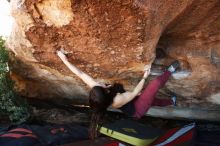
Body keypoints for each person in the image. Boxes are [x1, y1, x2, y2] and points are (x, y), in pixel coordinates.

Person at [57, 50, 180, 139]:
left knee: (154, 101)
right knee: (155, 84)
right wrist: (144, 77)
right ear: (105, 92)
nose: (98, 82)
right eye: (99, 85)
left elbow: (80, 74)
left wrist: (64, 59)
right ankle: (168, 72)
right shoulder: (117, 99)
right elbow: (135, 92)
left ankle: (172, 102)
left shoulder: (99, 92)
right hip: (138, 110)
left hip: (132, 101)